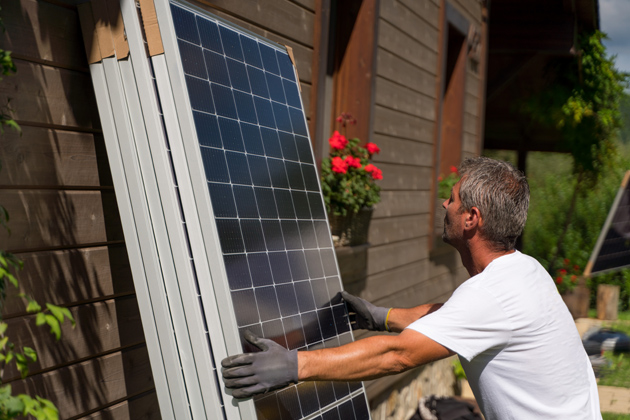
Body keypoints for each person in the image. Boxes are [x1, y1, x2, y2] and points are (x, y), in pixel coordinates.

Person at [221, 157, 601, 420]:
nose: (444, 204)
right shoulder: (526, 271)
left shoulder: (492, 294)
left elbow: (397, 357)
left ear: (471, 219)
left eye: (451, 199)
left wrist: (295, 365)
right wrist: (383, 317)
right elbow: (452, 318)